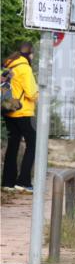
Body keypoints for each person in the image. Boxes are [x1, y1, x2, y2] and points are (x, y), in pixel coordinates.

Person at [2, 43, 39, 193]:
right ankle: (23, 181)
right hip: (23, 112)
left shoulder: (9, 66)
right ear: (29, 54)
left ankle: (8, 182)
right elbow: (31, 93)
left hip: (8, 109)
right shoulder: (25, 68)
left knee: (13, 144)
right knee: (33, 143)